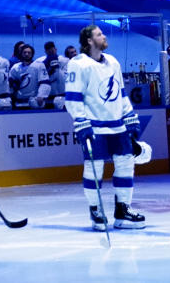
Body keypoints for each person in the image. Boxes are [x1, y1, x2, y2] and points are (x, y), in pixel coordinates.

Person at [65, 24, 146, 231]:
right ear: (89, 41)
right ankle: (96, 209)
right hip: (94, 126)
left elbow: (120, 92)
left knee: (126, 165)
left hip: (117, 125)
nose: (104, 36)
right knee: (94, 168)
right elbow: (72, 98)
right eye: (99, 34)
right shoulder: (78, 64)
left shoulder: (113, 62)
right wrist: (81, 122)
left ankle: (123, 210)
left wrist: (129, 115)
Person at [9, 44, 47, 109]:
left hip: (34, 103)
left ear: (32, 54)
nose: (27, 54)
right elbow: (10, 85)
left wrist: (41, 95)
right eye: (25, 52)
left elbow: (45, 83)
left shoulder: (39, 66)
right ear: (21, 53)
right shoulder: (15, 68)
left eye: (29, 52)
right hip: (19, 103)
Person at [35, 41, 68, 109]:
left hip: (62, 95)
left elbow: (66, 76)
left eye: (52, 50)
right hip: (47, 96)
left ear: (56, 49)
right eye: (49, 51)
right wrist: (47, 67)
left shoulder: (65, 60)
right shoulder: (40, 62)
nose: (51, 52)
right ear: (45, 52)